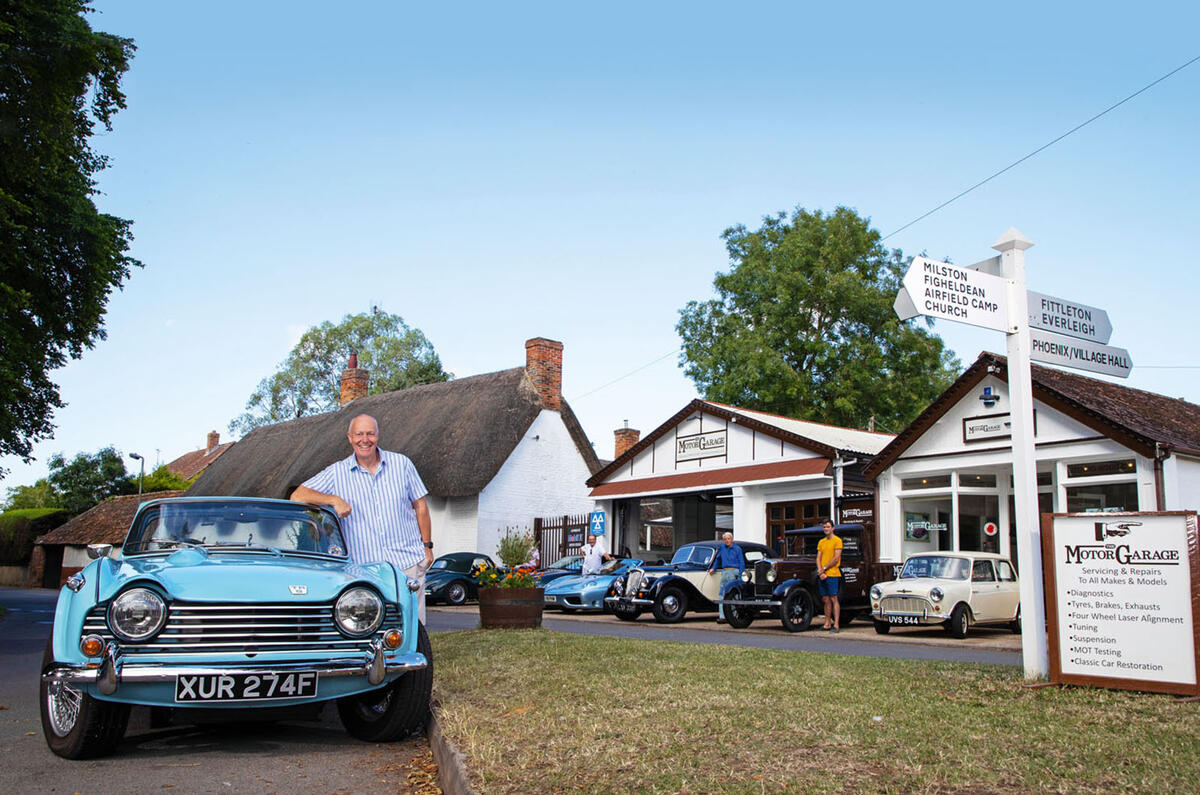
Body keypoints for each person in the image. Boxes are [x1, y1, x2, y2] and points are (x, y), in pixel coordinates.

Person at [290, 413, 434, 623]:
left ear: (378, 435)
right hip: (364, 569)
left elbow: (420, 505)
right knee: (370, 626)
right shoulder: (337, 473)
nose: (364, 440)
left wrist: (427, 547)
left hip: (407, 563)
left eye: (370, 434)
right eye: (359, 434)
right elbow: (297, 496)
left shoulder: (402, 464)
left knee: (414, 627)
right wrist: (333, 499)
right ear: (350, 437)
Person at [707, 532, 745, 621]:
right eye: (725, 539)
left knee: (733, 594)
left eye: (728, 539)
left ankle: (733, 616)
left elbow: (741, 563)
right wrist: (713, 568)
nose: (727, 541)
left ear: (732, 539)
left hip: (734, 571)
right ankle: (722, 616)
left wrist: (740, 576)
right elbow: (717, 559)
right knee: (722, 593)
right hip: (725, 572)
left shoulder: (737, 549)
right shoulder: (722, 548)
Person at [816, 520, 843, 631]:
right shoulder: (821, 542)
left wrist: (824, 568)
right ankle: (827, 623)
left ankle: (836, 624)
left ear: (832, 528)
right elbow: (818, 557)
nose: (826, 529)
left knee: (833, 598)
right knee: (825, 599)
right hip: (822, 574)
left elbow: (836, 558)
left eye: (828, 527)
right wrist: (820, 571)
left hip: (833, 573)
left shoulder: (837, 540)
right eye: (824, 527)